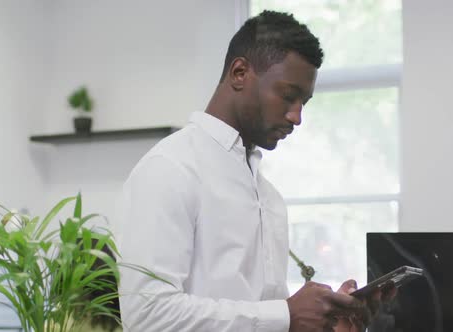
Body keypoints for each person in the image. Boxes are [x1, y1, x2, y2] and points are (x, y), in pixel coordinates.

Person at [119, 10, 394, 332]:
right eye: (288, 96)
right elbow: (147, 317)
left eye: (304, 102)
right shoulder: (169, 169)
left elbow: (266, 322)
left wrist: (330, 322)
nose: (296, 116)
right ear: (239, 73)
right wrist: (287, 315)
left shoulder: (269, 198)